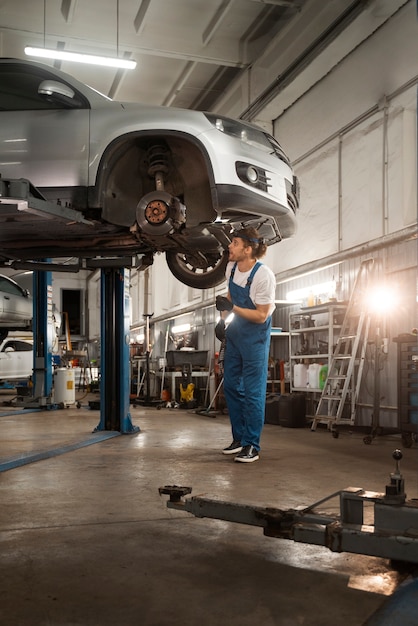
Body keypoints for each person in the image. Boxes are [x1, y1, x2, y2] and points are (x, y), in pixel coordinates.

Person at [216, 227, 276, 463]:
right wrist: (222, 321)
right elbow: (229, 298)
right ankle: (239, 438)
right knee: (231, 386)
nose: (229, 246)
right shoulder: (231, 267)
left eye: (235, 243)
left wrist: (233, 310)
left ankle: (252, 444)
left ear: (248, 249)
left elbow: (261, 315)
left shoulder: (263, 276)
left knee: (253, 392)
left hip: (255, 337)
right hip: (236, 333)